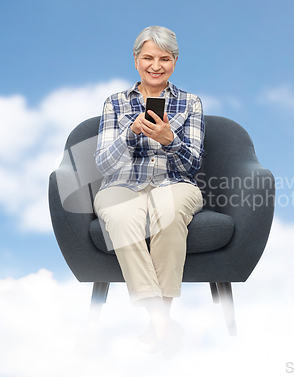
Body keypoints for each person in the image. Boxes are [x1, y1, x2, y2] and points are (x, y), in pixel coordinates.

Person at [93, 26, 205, 357]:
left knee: (168, 216)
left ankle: (158, 324)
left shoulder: (190, 103)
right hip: (121, 185)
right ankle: (163, 326)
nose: (156, 65)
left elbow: (193, 166)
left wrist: (171, 139)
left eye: (164, 59)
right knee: (123, 219)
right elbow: (102, 165)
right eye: (148, 58)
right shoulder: (115, 103)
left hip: (175, 183)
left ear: (175, 61)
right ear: (136, 59)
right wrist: (130, 134)